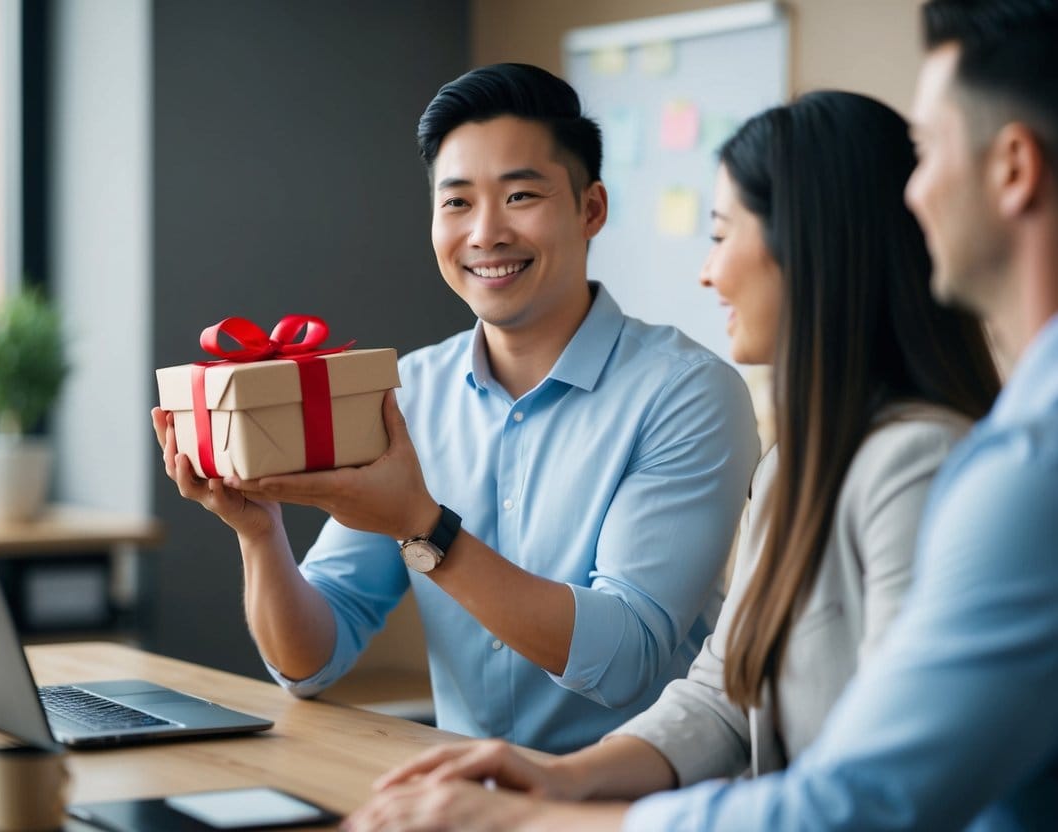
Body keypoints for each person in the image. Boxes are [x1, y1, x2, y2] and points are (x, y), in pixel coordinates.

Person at [343, 1, 1058, 828]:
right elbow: (723, 699)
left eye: (720, 234)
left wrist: (537, 821)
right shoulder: (796, 467)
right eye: (456, 201)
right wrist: (559, 780)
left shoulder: (936, 465)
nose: (705, 274)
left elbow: (873, 801)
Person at [153, 63, 761, 754]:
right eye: (456, 203)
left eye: (520, 195)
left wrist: (423, 528)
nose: (485, 233)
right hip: (468, 801)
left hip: (634, 806)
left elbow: (624, 660)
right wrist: (260, 534)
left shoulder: (687, 393)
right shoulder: (409, 391)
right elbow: (311, 661)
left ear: (590, 209)